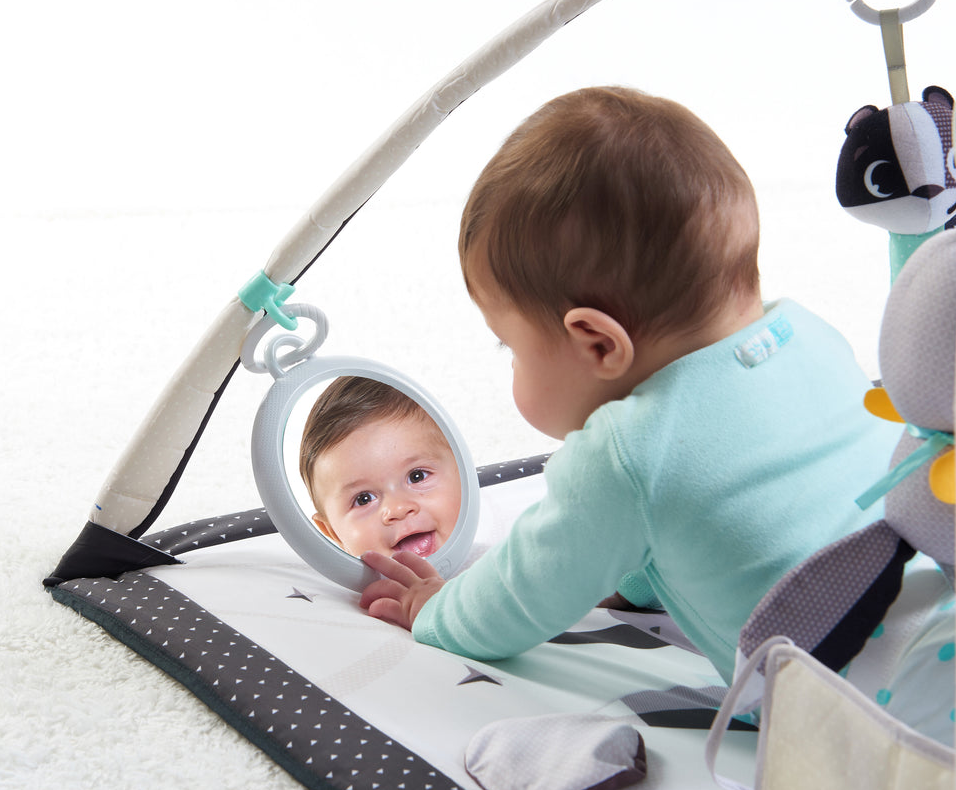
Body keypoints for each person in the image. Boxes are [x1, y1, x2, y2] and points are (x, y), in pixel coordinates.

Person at [358, 86, 903, 690]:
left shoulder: (627, 453)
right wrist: (636, 579)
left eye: (510, 347)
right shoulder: (807, 333)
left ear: (597, 343)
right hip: (950, 596)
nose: (511, 364)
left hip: (866, 704)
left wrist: (434, 610)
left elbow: (519, 592)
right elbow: (705, 507)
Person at [299, 376, 461, 560]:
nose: (398, 508)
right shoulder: (350, 589)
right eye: (363, 499)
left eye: (417, 476)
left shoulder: (497, 568)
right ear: (334, 534)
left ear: (465, 476)